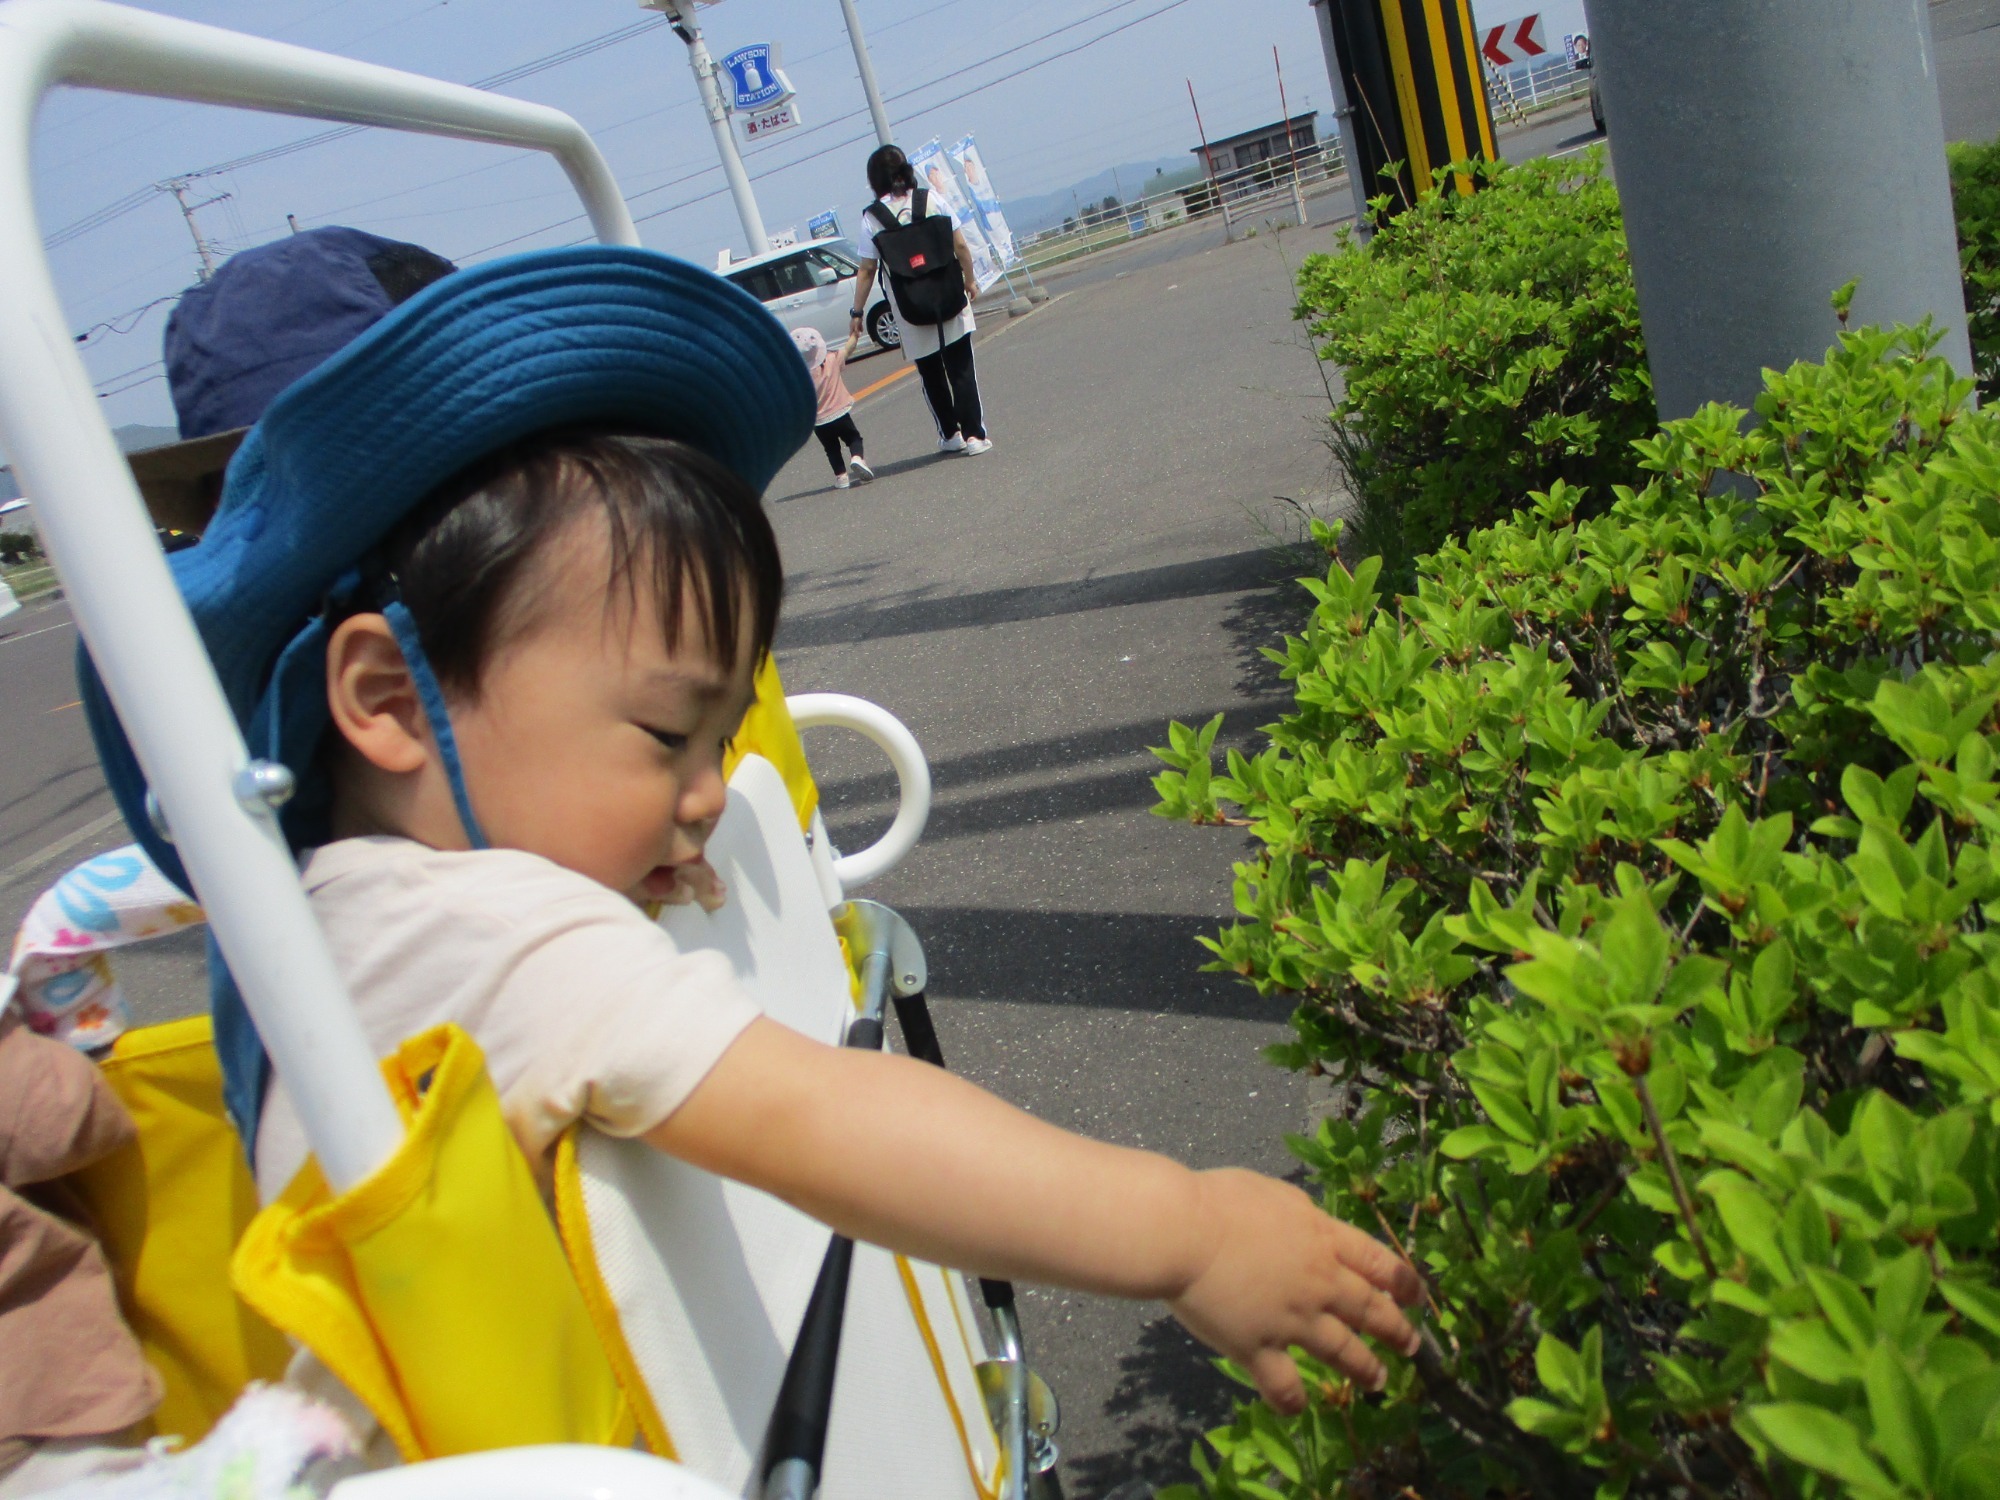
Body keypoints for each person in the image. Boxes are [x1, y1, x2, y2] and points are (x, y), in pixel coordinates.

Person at [85, 233, 1424, 1425]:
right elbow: (826, 1113)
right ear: (385, 699)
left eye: (724, 737)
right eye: (669, 735)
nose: (712, 791)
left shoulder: (341, 897)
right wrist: (1187, 1234)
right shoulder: (486, 927)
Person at [848, 144, 993, 458]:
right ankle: (974, 436)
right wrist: (970, 279)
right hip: (948, 294)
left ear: (875, 181)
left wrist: (858, 312)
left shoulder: (872, 218)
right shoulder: (932, 199)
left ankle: (950, 434)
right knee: (961, 368)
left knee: (931, 373)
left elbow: (866, 270)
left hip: (909, 306)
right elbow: (960, 245)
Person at [791, 326, 872, 490]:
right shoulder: (832, 358)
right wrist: (855, 335)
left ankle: (841, 477)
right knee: (853, 439)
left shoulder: (798, 375)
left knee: (831, 449)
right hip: (840, 413)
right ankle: (857, 458)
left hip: (819, 421)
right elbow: (848, 349)